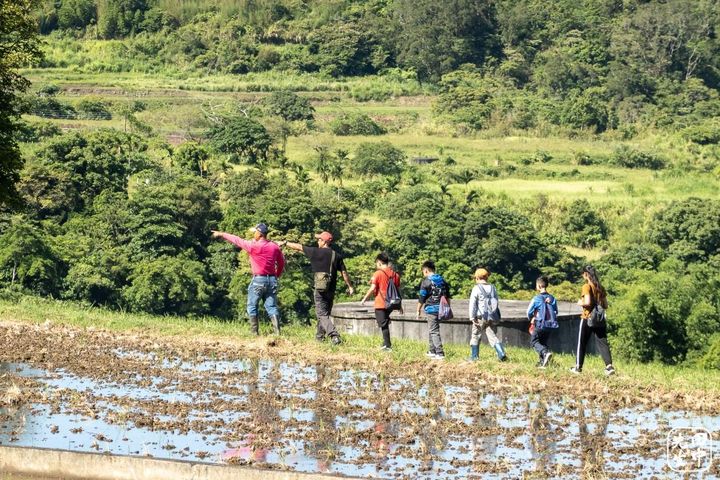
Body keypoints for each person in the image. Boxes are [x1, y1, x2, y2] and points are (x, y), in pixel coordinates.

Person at [281, 231, 355, 345]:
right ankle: (320, 338)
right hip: (331, 289)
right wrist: (350, 286)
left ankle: (334, 336)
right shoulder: (337, 255)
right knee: (325, 314)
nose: (317, 241)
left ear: (324, 241)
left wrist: (285, 242)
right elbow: (344, 273)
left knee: (321, 315)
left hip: (319, 289)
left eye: (319, 239)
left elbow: (299, 247)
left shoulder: (314, 252)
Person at [211, 223, 285, 335]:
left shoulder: (253, 246)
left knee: (252, 305)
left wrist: (221, 234)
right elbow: (281, 263)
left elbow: (237, 240)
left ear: (259, 234)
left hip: (259, 279)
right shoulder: (274, 246)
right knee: (271, 306)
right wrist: (276, 276)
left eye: (255, 232)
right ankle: (277, 333)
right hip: (272, 280)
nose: (253, 233)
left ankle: (254, 333)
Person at [571, 265, 615, 375]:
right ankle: (609, 367)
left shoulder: (586, 286)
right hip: (599, 319)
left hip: (587, 317)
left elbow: (587, 302)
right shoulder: (600, 287)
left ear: (586, 274)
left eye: (582, 274)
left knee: (582, 343)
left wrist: (580, 302)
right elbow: (605, 305)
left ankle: (578, 367)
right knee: (603, 342)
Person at [360, 252, 401, 351]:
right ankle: (385, 343)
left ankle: (387, 345)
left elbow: (372, 288)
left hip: (381, 303)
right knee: (385, 322)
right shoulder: (396, 275)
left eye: (376, 263)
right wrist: (400, 305)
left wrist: (364, 299)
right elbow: (398, 291)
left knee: (383, 324)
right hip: (392, 303)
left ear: (379, 262)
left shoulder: (378, 273)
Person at [468, 268, 506, 361]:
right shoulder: (493, 288)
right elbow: (496, 301)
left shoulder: (476, 288)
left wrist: (472, 317)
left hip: (480, 317)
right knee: (492, 335)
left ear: (477, 278)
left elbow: (472, 304)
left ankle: (474, 357)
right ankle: (501, 353)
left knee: (476, 335)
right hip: (491, 316)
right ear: (487, 277)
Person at [416, 260, 450, 360]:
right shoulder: (442, 280)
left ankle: (440, 352)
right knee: (432, 328)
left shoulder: (425, 281)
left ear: (426, 270)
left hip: (431, 308)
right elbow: (447, 296)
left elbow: (422, 297)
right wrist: (448, 307)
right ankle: (432, 350)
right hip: (441, 308)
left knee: (434, 330)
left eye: (423, 271)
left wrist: (418, 310)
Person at [527, 275, 558, 368]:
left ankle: (545, 353)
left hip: (540, 323)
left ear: (539, 286)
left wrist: (531, 318)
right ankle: (543, 362)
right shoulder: (553, 298)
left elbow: (528, 311)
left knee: (534, 341)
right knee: (543, 342)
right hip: (551, 324)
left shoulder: (536, 298)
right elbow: (556, 311)